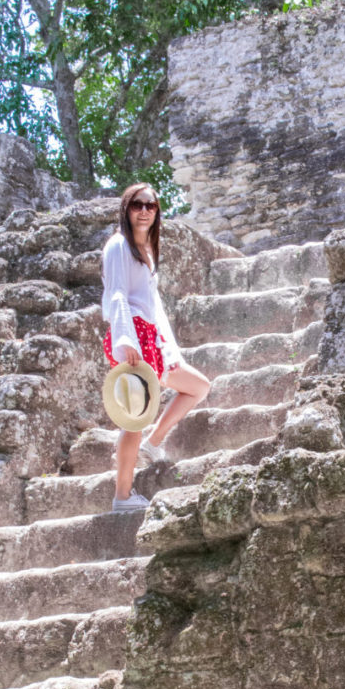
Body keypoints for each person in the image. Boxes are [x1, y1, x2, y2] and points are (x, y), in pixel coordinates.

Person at [101, 182, 211, 512]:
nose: (145, 211)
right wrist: (125, 341)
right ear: (127, 208)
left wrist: (169, 349)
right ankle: (122, 497)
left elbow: (154, 304)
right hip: (132, 335)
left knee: (198, 387)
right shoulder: (118, 246)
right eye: (138, 204)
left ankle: (155, 442)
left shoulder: (147, 248)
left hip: (151, 337)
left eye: (151, 205)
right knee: (134, 417)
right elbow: (117, 295)